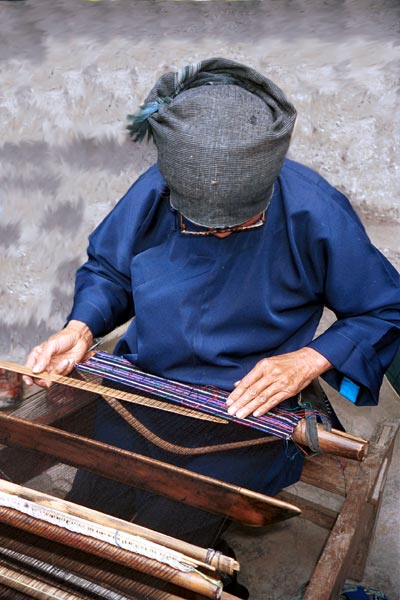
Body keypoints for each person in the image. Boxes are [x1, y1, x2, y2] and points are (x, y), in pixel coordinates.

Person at [24, 58, 400, 597]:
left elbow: (383, 308)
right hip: (145, 385)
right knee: (87, 526)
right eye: (204, 221)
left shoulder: (314, 210)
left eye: (242, 221)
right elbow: (110, 270)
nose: (223, 234)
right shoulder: (157, 190)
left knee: (160, 547)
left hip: (245, 408)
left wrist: (309, 359)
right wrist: (83, 326)